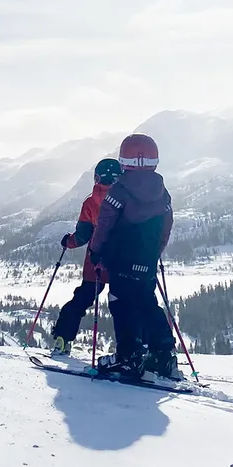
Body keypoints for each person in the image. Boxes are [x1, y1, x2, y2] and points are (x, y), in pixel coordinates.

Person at [88, 133, 183, 381]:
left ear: (124, 159)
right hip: (147, 259)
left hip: (120, 259)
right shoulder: (163, 193)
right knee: (147, 304)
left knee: (121, 304)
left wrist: (96, 251)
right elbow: (165, 228)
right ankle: (163, 356)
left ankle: (129, 357)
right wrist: (153, 254)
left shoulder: (119, 191)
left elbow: (104, 223)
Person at [50, 158, 123, 356]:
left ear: (97, 177)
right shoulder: (129, 199)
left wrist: (68, 242)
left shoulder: (90, 202)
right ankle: (135, 347)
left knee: (82, 299)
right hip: (123, 261)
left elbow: (82, 235)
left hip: (96, 262)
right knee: (128, 303)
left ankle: (62, 339)